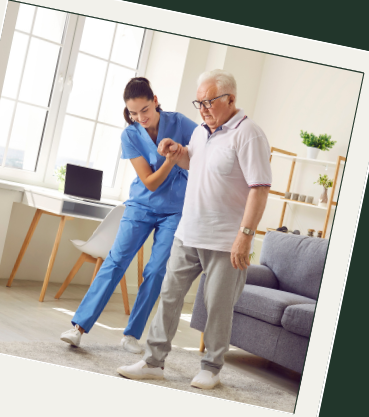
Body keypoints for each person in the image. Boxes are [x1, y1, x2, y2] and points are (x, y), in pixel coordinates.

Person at [117, 69, 271, 389]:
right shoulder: (201, 132)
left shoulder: (249, 134)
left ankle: (211, 368)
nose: (202, 108)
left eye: (210, 101)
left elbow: (260, 188)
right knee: (169, 296)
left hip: (225, 239)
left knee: (217, 306)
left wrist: (245, 236)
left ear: (231, 99)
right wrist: (179, 152)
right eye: (198, 102)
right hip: (188, 232)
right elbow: (194, 162)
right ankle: (153, 361)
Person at [60, 77, 196, 353]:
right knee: (116, 261)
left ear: (155, 101)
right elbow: (150, 182)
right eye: (133, 113)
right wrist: (172, 160)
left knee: (157, 271)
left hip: (175, 211)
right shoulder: (130, 134)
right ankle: (78, 328)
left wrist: (184, 155)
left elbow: (206, 151)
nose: (140, 117)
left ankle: (131, 335)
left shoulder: (181, 123)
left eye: (144, 110)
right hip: (141, 206)